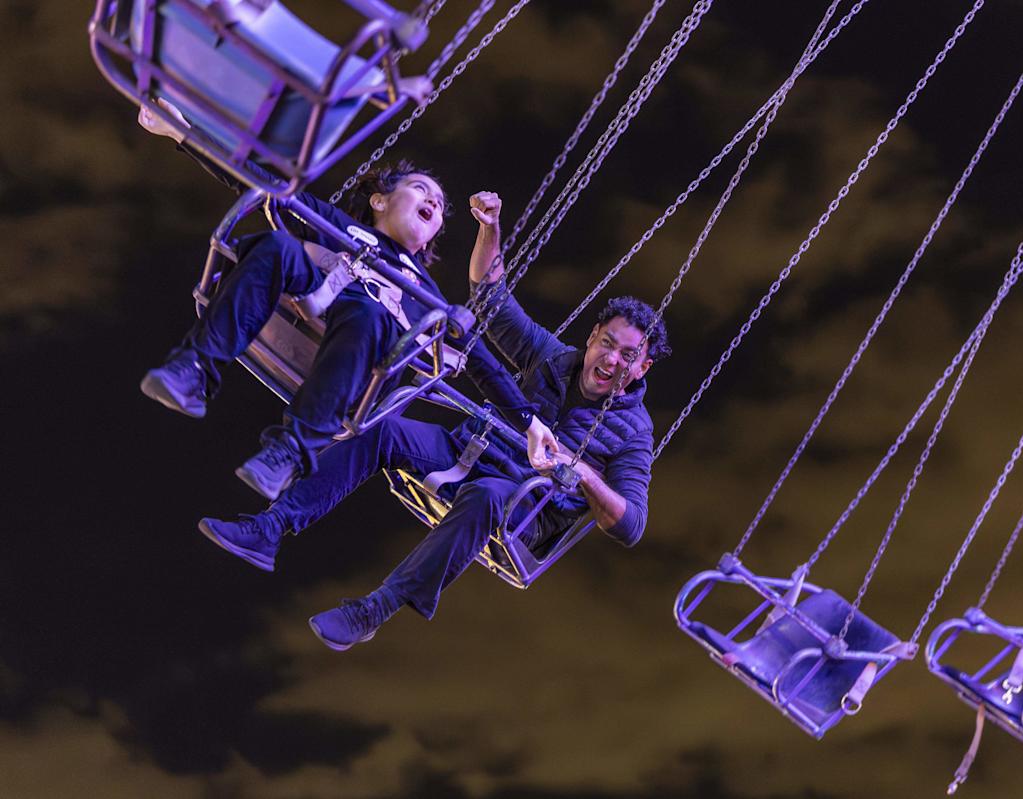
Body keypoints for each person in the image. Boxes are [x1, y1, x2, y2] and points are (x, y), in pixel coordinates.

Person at [196, 192, 671, 650]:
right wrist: (490, 228)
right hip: (471, 450)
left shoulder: (634, 432)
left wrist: (581, 469)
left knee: (486, 496)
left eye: (628, 355)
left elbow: (631, 524)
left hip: (519, 508)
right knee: (381, 428)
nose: (611, 360)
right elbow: (490, 299)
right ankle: (271, 528)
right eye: (607, 343)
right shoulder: (554, 357)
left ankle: (374, 610)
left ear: (643, 368)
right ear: (592, 338)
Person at [136, 98, 535, 499]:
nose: (433, 202)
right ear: (380, 200)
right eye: (420, 189)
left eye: (439, 205)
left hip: (362, 362)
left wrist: (533, 426)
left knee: (372, 316)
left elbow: (482, 363)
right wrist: (181, 132)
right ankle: (195, 368)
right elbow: (259, 183)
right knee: (278, 246)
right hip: (306, 319)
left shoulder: (428, 297)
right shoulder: (338, 229)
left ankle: (289, 452)